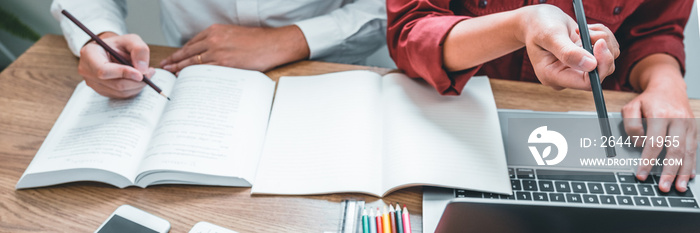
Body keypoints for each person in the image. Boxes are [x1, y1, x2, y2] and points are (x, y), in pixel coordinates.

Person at [387, 0, 696, 193]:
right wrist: (520, 26)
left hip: (587, 138)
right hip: (463, 128)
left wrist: (666, 84)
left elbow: (655, 31)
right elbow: (411, 31)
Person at [51, 0, 386, 98]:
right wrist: (101, 35)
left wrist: (292, 39)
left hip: (328, 69)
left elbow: (401, 6)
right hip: (187, 76)